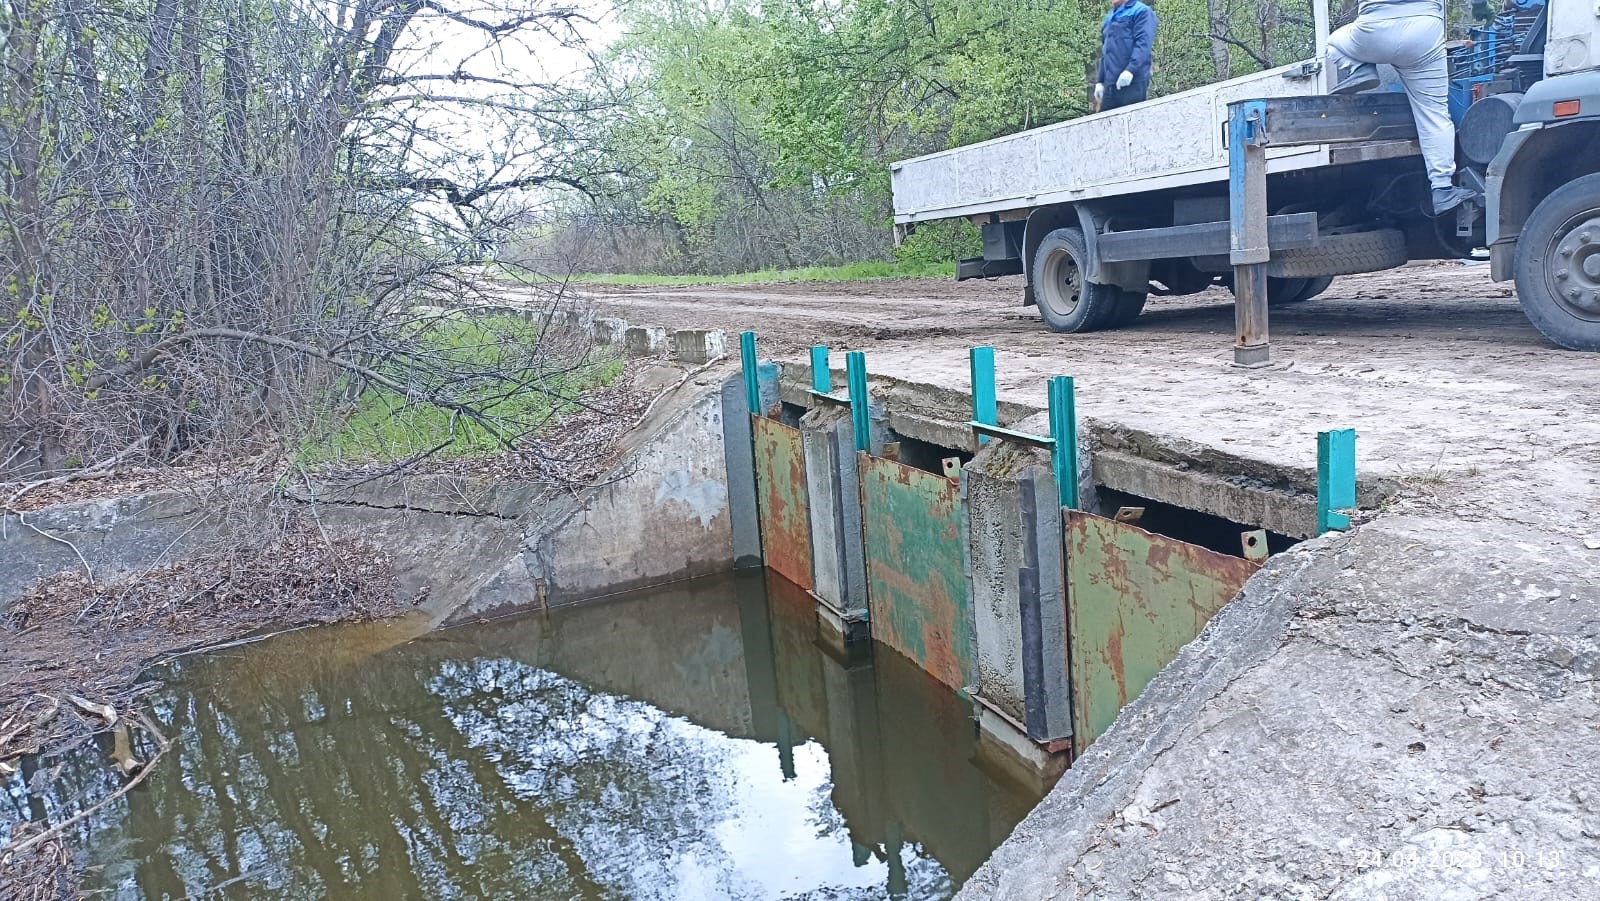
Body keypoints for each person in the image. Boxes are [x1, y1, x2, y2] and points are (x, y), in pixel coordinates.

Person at [1325, 0, 1480, 214]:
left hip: (1374, 31)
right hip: (1424, 31)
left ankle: (1361, 68)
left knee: (1332, 42)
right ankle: (1442, 188)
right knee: (1434, 113)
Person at [1095, 0, 1156, 111]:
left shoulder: (1141, 11)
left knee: (1133, 123)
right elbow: (1106, 52)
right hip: (1110, 84)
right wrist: (1100, 81)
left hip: (1133, 80)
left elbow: (1143, 44)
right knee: (1107, 125)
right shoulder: (1109, 18)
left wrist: (1130, 70)